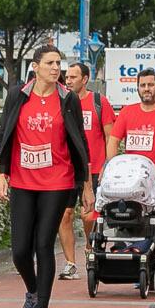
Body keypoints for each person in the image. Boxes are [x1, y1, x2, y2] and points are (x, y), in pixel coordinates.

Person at [0, 44, 88, 308]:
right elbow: (3, 135)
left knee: (44, 244)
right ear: (35, 66)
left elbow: (79, 143)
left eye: (58, 63)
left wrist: (86, 186)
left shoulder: (67, 99)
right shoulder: (17, 95)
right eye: (50, 63)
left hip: (57, 180)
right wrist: (0, 174)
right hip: (22, 180)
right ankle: (32, 292)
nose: (56, 68)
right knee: (20, 250)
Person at [59, 61, 117, 278]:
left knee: (88, 216)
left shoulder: (98, 102)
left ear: (84, 79)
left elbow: (111, 136)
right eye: (67, 77)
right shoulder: (62, 102)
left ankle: (90, 249)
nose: (69, 80)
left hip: (93, 170)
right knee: (64, 215)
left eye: (73, 77)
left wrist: (108, 165)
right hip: (67, 170)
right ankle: (70, 263)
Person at [107, 68, 155, 177]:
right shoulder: (126, 112)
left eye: (150, 85)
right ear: (137, 88)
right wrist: (113, 168)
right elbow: (113, 142)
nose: (146, 89)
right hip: (131, 180)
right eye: (142, 85)